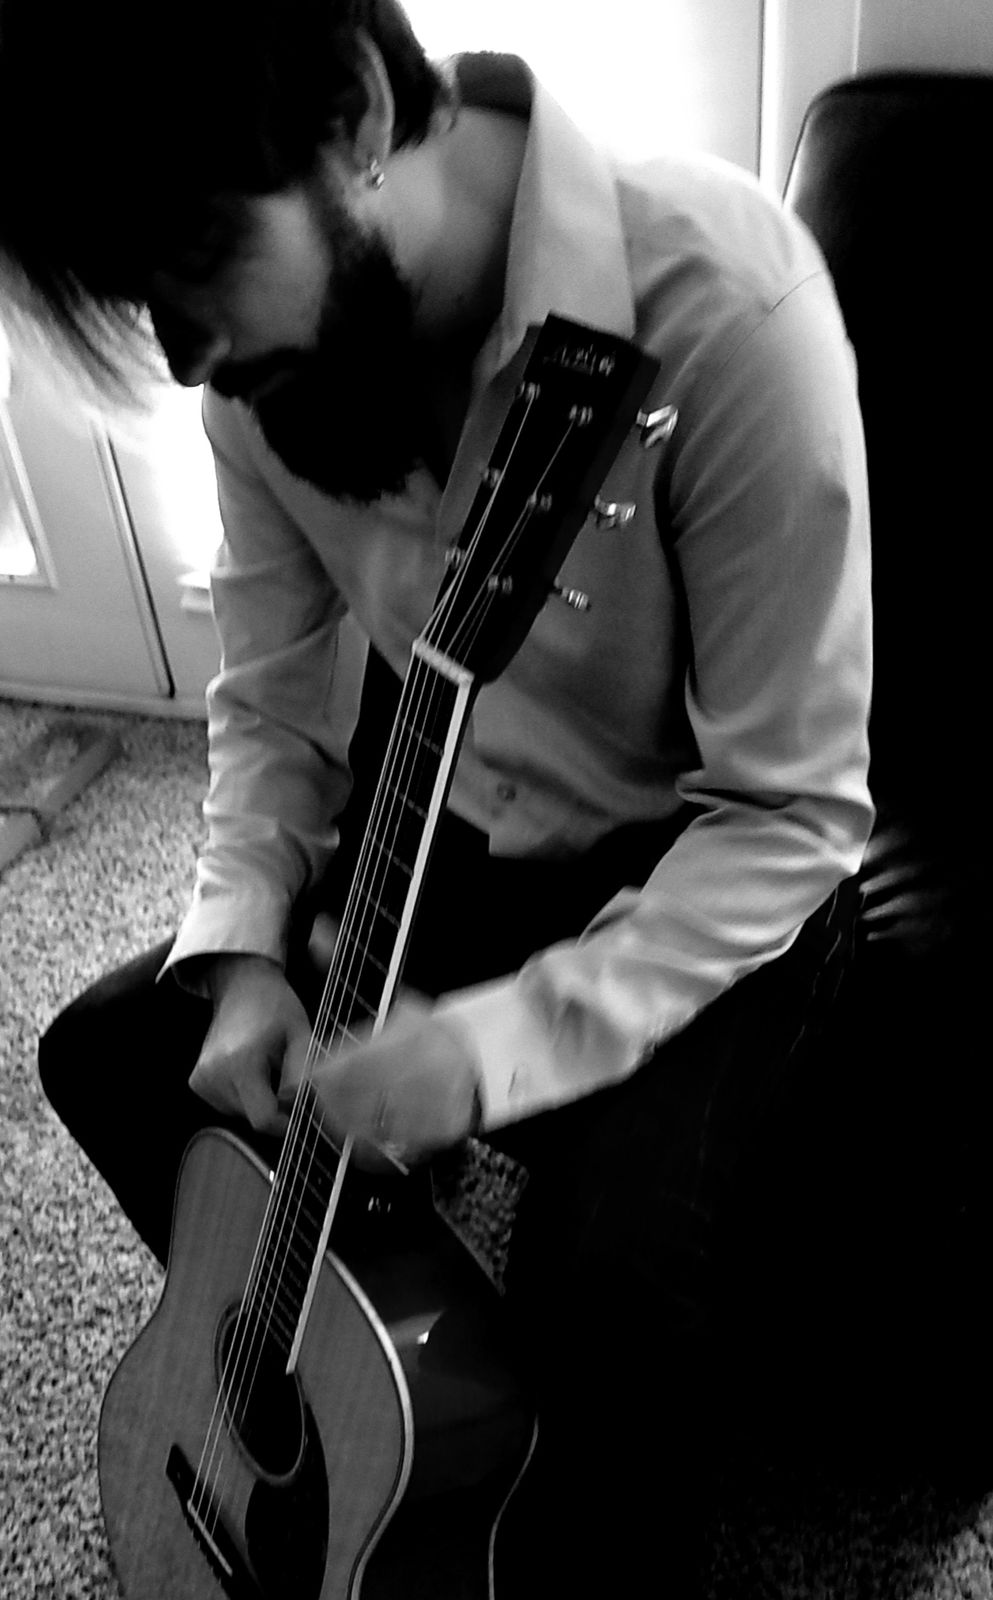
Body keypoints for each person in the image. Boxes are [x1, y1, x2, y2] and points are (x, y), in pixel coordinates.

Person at [0, 1, 873, 1593]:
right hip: (448, 820)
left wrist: (493, 1050)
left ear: (350, 112)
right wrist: (245, 955)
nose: (185, 354)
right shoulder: (264, 373)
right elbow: (270, 698)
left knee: (605, 1280)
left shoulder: (725, 308)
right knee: (116, 1057)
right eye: (143, 301)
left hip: (697, 869)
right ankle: (383, 1381)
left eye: (194, 262)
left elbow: (789, 814)